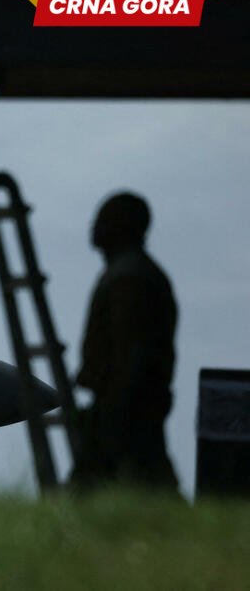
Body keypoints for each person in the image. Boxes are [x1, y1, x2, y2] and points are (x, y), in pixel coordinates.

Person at [72, 192, 179, 491]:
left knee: (141, 485)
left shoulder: (129, 278)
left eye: (104, 219)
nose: (95, 226)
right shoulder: (132, 273)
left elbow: (132, 353)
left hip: (126, 410)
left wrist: (115, 411)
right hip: (128, 407)